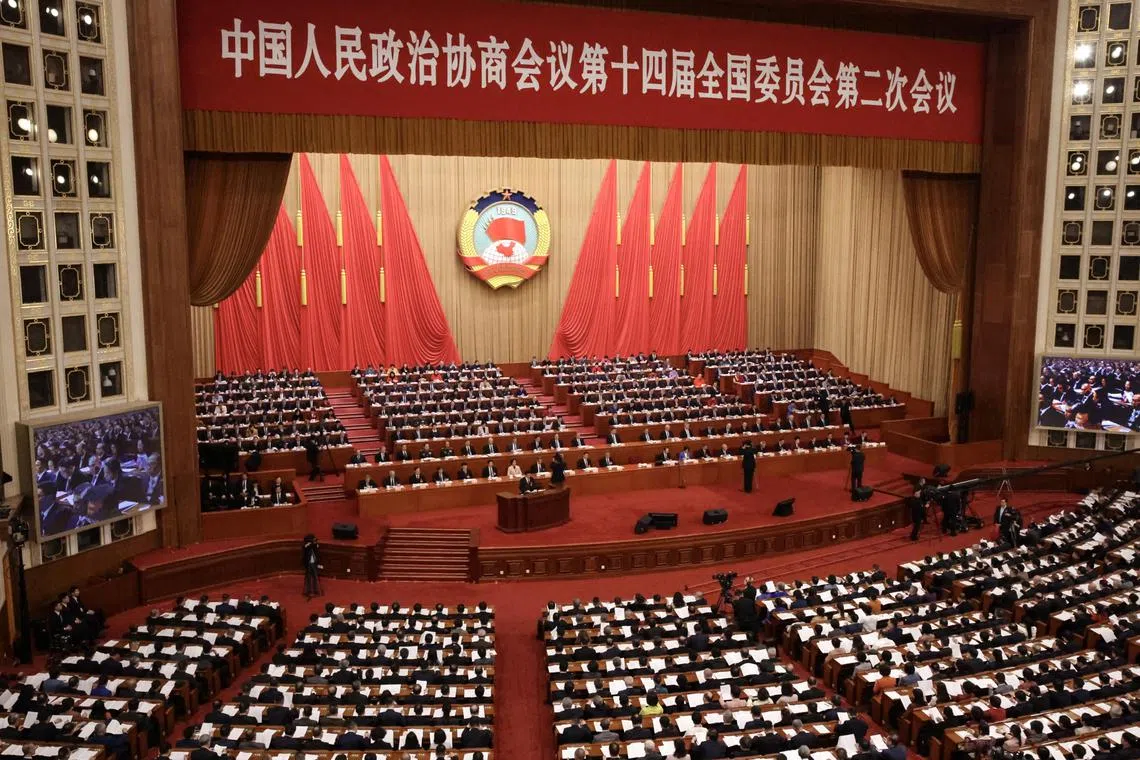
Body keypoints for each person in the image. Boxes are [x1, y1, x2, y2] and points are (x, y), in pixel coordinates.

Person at [302, 534, 321, 599]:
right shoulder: (306, 546)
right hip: (308, 564)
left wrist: (315, 544)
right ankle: (309, 591)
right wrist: (310, 544)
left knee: (315, 577)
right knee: (308, 578)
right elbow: (306, 549)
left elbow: (316, 549)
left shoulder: (315, 546)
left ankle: (316, 590)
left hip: (314, 564)